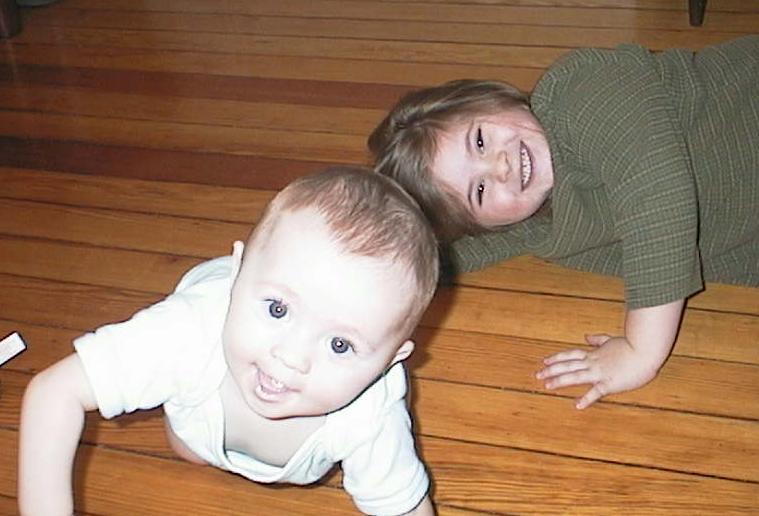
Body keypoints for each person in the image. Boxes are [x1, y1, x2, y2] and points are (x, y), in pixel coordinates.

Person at [18, 166, 439, 516]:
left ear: (390, 361)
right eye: (278, 310)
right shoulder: (185, 333)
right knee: (189, 446)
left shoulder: (372, 411)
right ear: (237, 273)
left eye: (339, 345)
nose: (291, 357)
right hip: (199, 383)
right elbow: (54, 391)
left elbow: (405, 506)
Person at [368, 36, 759, 409]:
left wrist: (640, 351)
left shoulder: (581, 88)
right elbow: (436, 255)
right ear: (486, 224)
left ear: (496, 99)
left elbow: (657, 193)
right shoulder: (533, 219)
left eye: (480, 140)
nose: (500, 167)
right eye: (479, 191)